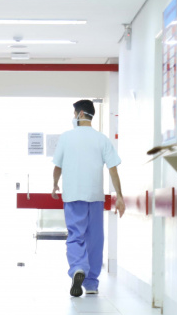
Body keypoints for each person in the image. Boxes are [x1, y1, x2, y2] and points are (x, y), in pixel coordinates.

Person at [51, 100, 125, 297]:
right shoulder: (102, 139)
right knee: (95, 238)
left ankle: (78, 267)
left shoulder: (66, 138)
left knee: (76, 234)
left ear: (81, 113)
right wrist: (119, 195)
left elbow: (57, 166)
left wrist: (54, 184)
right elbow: (113, 169)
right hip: (95, 195)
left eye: (75, 113)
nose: (74, 117)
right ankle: (91, 283)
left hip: (73, 194)